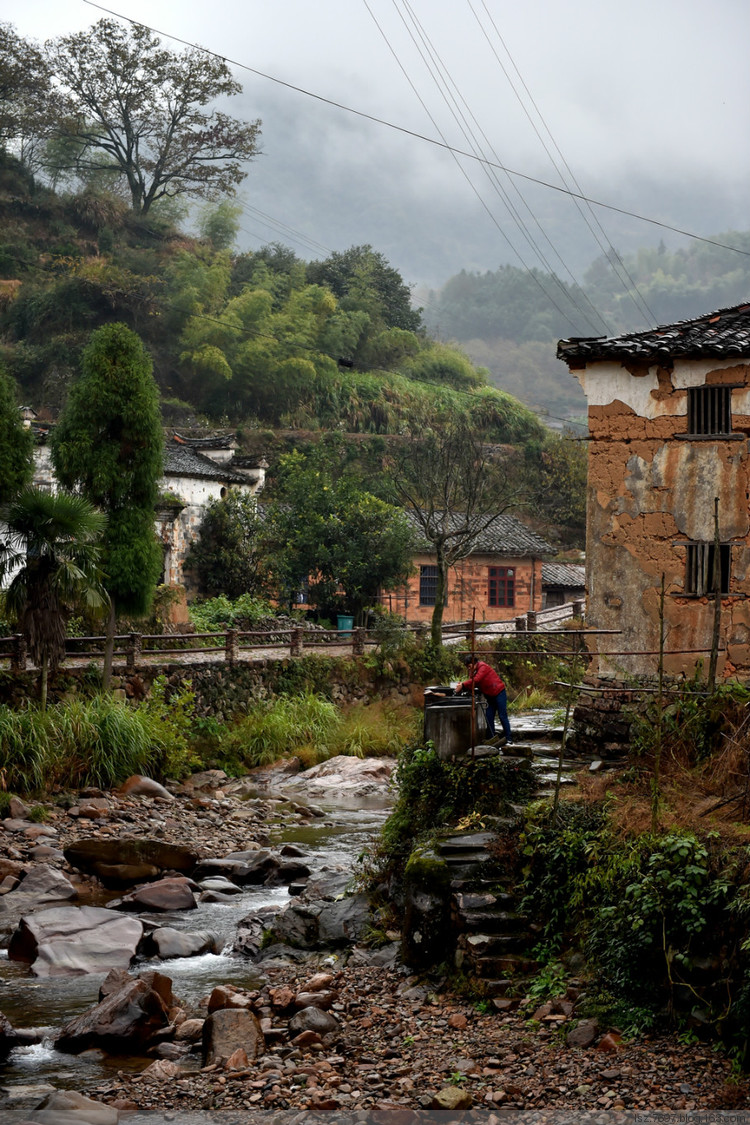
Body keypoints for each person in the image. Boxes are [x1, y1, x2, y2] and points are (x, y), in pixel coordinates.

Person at [459, 653, 513, 745]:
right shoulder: (473, 671)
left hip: (499, 692)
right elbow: (473, 683)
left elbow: (477, 680)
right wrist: (463, 686)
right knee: (489, 716)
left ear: (474, 663)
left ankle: (509, 739)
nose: (468, 668)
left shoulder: (483, 667)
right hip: (490, 696)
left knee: (502, 716)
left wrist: (463, 685)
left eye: (469, 665)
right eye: (467, 666)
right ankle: (491, 738)